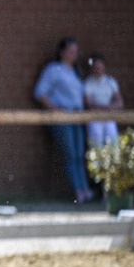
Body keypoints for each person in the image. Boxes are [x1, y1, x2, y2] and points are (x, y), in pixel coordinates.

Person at [33, 36, 92, 204]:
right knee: (70, 154)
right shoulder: (54, 69)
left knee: (80, 154)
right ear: (62, 52)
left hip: (76, 117)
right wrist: (55, 109)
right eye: (71, 51)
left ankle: (85, 190)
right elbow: (40, 92)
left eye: (76, 51)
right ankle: (78, 191)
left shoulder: (75, 72)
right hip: (62, 118)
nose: (74, 54)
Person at [83, 53, 123, 147]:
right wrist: (103, 108)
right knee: (96, 147)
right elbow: (88, 103)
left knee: (113, 146)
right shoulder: (88, 82)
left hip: (108, 117)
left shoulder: (110, 81)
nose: (97, 69)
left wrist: (109, 107)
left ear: (104, 66)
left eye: (99, 66)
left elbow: (120, 102)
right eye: (95, 67)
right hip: (94, 119)